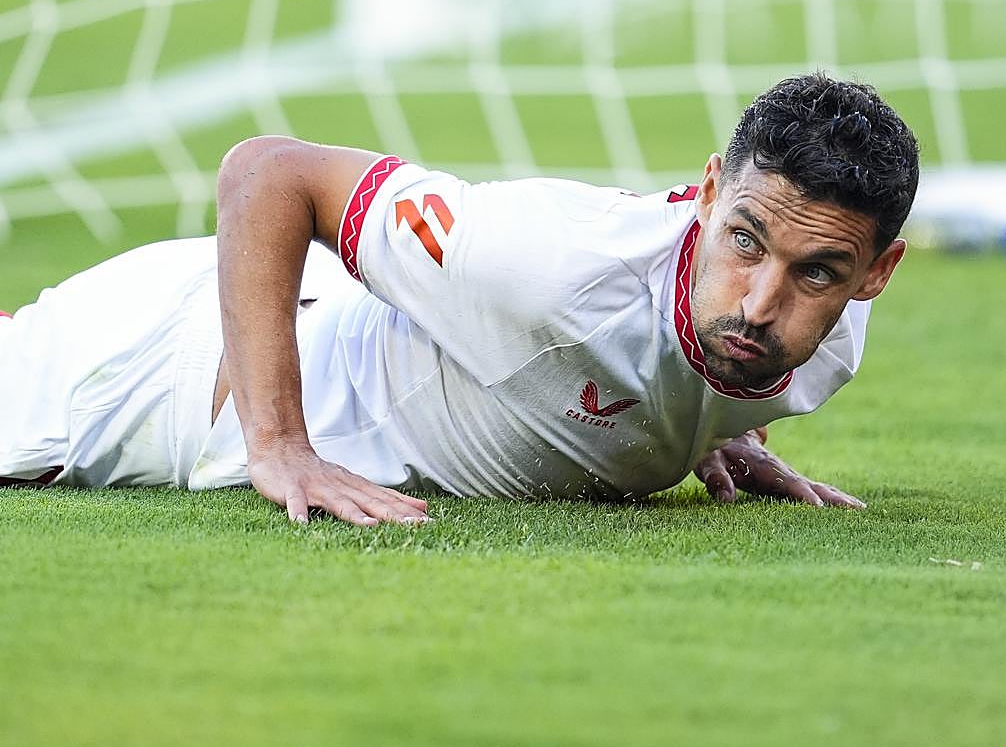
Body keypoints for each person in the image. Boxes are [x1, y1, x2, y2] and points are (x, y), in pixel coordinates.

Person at [0, 72, 919, 526]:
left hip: (337, 323)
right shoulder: (544, 259)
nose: (761, 305)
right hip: (167, 370)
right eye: (746, 242)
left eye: (818, 275)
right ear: (709, 193)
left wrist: (704, 427)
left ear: (875, 273)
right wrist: (279, 446)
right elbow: (266, 174)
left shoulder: (828, 345)